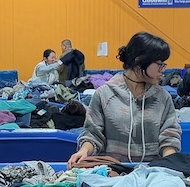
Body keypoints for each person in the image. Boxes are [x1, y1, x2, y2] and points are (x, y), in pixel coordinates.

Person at [67, 32, 181, 166]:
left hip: (153, 172)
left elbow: (169, 137)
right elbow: (93, 134)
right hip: (112, 170)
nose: (163, 70)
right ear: (139, 61)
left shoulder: (163, 98)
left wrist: (171, 162)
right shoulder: (104, 94)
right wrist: (84, 151)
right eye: (160, 64)